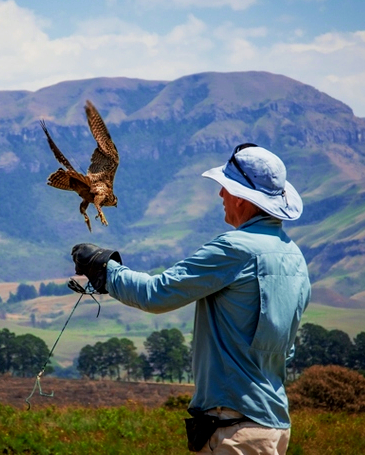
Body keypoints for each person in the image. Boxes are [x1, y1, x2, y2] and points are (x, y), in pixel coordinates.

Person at [72, 144, 311, 454]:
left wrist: (106, 270)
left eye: (226, 188)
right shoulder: (294, 257)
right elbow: (286, 350)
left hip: (233, 425)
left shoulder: (235, 249)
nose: (221, 196)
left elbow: (157, 295)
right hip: (273, 425)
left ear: (241, 197)